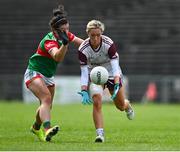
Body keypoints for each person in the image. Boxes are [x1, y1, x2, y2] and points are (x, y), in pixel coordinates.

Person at [24, 5, 83, 142]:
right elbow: (57, 57)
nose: (66, 32)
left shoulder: (65, 36)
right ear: (54, 31)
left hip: (48, 75)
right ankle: (47, 129)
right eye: (63, 30)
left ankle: (35, 127)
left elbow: (82, 44)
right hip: (35, 71)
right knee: (46, 99)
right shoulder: (49, 40)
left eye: (67, 29)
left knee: (46, 105)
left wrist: (98, 45)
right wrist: (65, 44)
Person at [78, 20, 134, 143]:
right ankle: (100, 134)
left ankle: (127, 104)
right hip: (96, 75)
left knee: (120, 106)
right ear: (88, 34)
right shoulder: (83, 49)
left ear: (101, 33)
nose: (96, 38)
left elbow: (115, 65)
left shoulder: (108, 44)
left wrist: (117, 82)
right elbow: (84, 72)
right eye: (93, 35)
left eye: (98, 35)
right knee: (97, 101)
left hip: (111, 73)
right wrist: (84, 89)